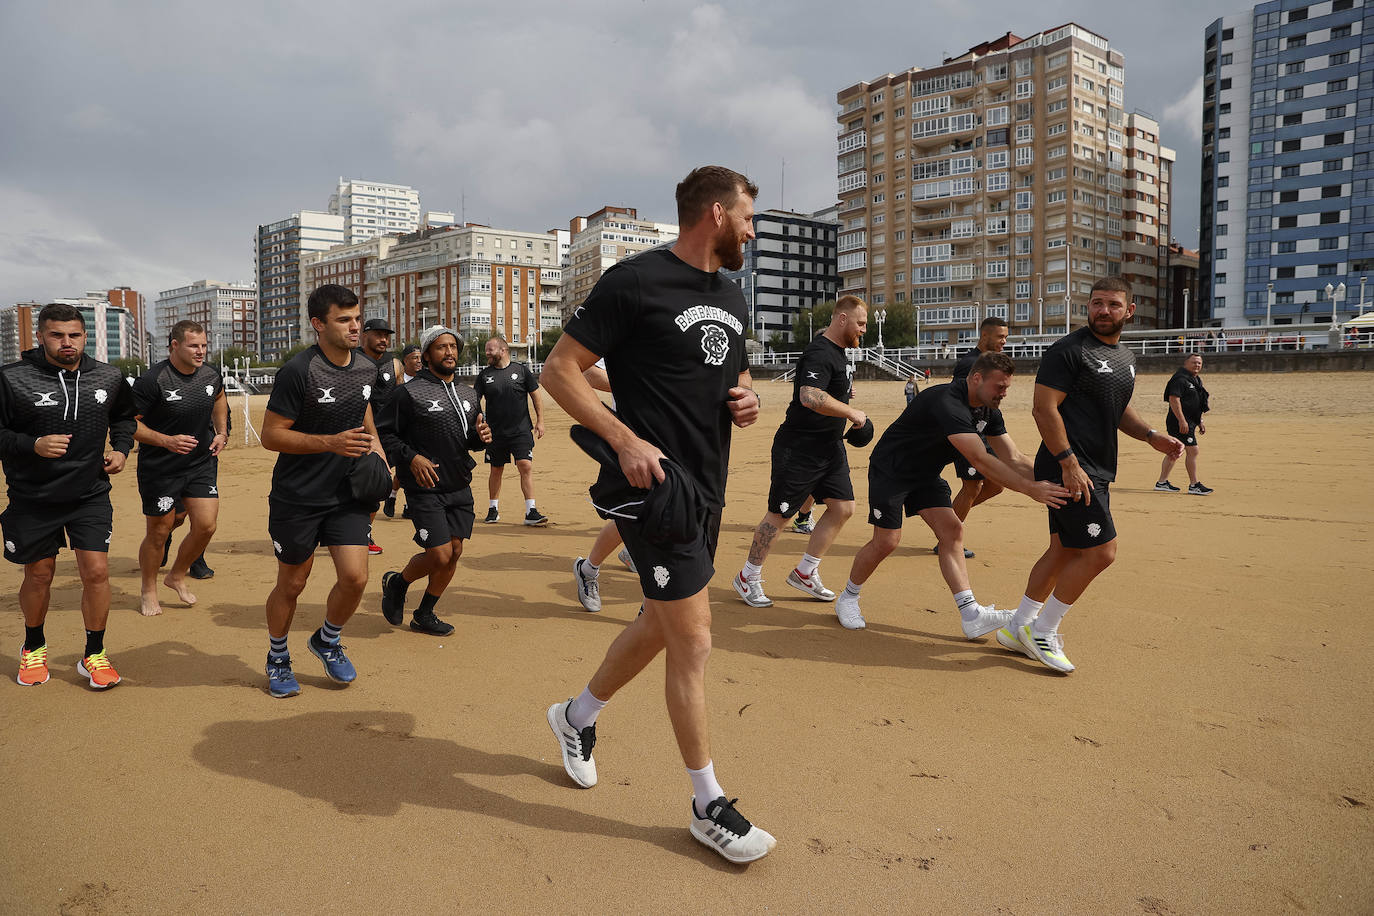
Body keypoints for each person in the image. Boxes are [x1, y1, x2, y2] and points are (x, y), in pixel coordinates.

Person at [540, 165, 776, 863]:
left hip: (710, 486)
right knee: (694, 640)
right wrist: (624, 438)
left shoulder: (731, 295)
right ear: (715, 213)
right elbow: (559, 371)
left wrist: (747, 400)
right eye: (748, 218)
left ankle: (574, 717)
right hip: (654, 491)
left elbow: (733, 376)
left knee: (659, 621)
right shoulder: (633, 281)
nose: (752, 231)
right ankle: (708, 804)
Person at [997, 278, 1184, 674]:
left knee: (1063, 549)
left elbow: (1116, 410)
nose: (1103, 311)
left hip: (1094, 468)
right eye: (1097, 303)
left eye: (1113, 305)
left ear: (1129, 311)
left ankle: (1018, 628)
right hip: (1071, 467)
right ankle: (1043, 631)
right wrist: (1068, 463)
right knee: (1102, 552)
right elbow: (1043, 409)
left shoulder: (1126, 358)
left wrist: (1151, 436)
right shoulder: (1069, 351)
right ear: (1088, 307)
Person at [834, 352, 1070, 632]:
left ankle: (971, 616)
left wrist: (1057, 483)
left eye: (1007, 387)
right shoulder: (947, 402)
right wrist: (1032, 490)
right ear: (976, 378)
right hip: (891, 471)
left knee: (952, 531)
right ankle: (848, 598)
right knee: (887, 541)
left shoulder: (988, 409)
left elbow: (1014, 457)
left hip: (925, 474)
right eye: (1000, 387)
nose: (1004, 393)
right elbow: (981, 459)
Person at [260, 284, 389, 698]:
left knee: (354, 578)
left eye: (357, 318)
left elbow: (363, 405)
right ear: (318, 324)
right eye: (344, 320)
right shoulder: (299, 371)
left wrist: (380, 454)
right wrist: (329, 441)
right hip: (297, 495)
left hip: (348, 491)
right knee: (292, 584)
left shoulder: (368, 368)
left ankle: (327, 640)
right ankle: (278, 655)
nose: (355, 327)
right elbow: (271, 435)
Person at [0, 303, 137, 688]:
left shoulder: (109, 377)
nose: (67, 343)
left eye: (74, 335)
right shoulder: (12, 378)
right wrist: (33, 445)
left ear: (85, 336)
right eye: (57, 335)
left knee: (96, 571)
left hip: (89, 492)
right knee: (40, 574)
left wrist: (122, 449)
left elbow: (125, 417)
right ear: (40, 336)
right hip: (33, 495)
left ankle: (94, 654)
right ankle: (33, 647)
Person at [733, 295, 868, 608]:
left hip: (829, 446)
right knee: (781, 513)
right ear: (843, 319)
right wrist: (850, 412)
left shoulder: (841, 353)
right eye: (860, 323)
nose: (863, 329)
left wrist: (842, 394)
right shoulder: (820, 351)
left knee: (843, 508)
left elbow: (824, 390)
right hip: (799, 446)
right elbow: (808, 395)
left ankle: (805, 572)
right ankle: (748, 576)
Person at [377, 326, 492, 635]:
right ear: (427, 355)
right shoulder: (408, 392)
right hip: (424, 486)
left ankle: (425, 613)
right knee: (439, 554)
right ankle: (397, 583)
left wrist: (481, 438)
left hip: (459, 484)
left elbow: (471, 440)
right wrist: (411, 457)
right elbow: (385, 432)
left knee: (454, 552)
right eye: (441, 347)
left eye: (453, 346)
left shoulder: (469, 394)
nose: (449, 352)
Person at [132, 320, 228, 617]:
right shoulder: (152, 380)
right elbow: (128, 423)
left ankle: (176, 575)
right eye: (193, 346)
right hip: (161, 468)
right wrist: (166, 441)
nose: (201, 351)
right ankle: (149, 589)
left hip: (200, 464)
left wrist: (222, 432)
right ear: (175, 345)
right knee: (159, 532)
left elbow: (220, 398)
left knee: (206, 526)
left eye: (203, 345)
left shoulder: (211, 374)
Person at [571, 358, 638, 614]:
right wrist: (641, 384)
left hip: (677, 436)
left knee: (671, 513)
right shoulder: (624, 328)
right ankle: (588, 569)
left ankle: (634, 552)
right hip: (630, 436)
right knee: (629, 514)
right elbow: (588, 372)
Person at [944, 316, 1011, 559]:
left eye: (1006, 336)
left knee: (995, 485)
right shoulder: (970, 363)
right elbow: (956, 399)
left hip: (982, 431)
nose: (1004, 341)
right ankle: (948, 537)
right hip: (965, 433)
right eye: (1000, 337)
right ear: (985, 336)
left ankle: (946, 522)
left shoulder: (989, 362)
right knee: (972, 487)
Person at [475, 336, 547, 526]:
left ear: (503, 350)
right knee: (496, 469)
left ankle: (531, 511)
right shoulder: (484, 375)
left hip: (521, 430)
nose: (487, 353)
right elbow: (474, 401)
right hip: (495, 432)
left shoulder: (521, 371)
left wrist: (540, 420)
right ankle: (493, 509)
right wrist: (479, 421)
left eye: (490, 350)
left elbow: (535, 395)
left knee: (525, 465)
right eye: (486, 350)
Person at [354, 317, 397, 554]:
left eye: (387, 335)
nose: (384, 340)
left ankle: (364, 534)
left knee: (377, 485)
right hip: (356, 435)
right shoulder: (354, 360)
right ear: (365, 335)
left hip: (385, 437)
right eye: (379, 334)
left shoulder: (393, 364)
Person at [1155, 354, 1212, 495]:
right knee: (1192, 451)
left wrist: (1200, 421)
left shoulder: (1195, 379)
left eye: (1199, 363)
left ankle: (1162, 482)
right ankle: (1194, 485)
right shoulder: (1179, 379)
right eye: (1194, 362)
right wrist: (1181, 420)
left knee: (1174, 451)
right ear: (1186, 363)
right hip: (1180, 422)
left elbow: (1197, 403)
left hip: (1190, 422)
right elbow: (1174, 399)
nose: (1197, 365)